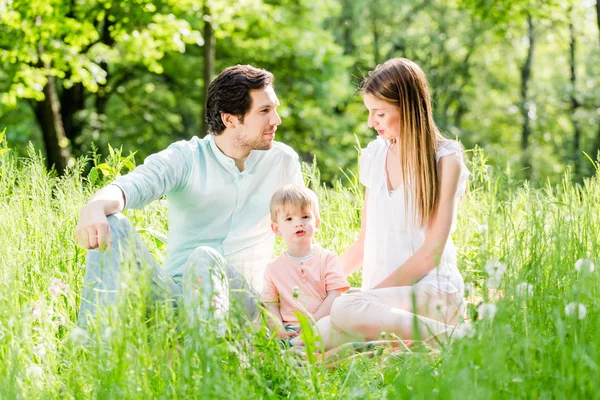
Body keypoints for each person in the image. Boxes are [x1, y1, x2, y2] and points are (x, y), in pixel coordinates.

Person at [75, 65, 303, 331]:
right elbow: (131, 186)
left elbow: (302, 238)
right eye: (265, 111)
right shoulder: (186, 157)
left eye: (274, 108)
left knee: (206, 258)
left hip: (243, 304)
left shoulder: (282, 161)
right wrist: (94, 207)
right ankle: (91, 348)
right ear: (230, 119)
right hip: (175, 297)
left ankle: (209, 360)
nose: (277, 120)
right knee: (112, 222)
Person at [293, 58, 469, 350]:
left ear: (408, 109)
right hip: (377, 303)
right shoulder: (375, 155)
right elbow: (364, 244)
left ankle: (455, 338)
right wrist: (319, 283)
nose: (370, 122)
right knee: (305, 344)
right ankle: (400, 343)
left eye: (380, 113)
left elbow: (431, 254)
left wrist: (365, 298)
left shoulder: (446, 160)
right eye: (369, 112)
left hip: (433, 294)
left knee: (344, 310)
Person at [261, 185, 349, 343]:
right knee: (263, 338)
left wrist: (313, 321)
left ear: (316, 223)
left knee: (337, 331)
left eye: (305, 217)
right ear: (276, 229)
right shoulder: (273, 268)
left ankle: (301, 350)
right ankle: (293, 349)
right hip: (290, 329)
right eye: (289, 219)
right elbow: (271, 305)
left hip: (323, 323)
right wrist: (278, 329)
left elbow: (335, 295)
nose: (299, 223)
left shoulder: (327, 259)